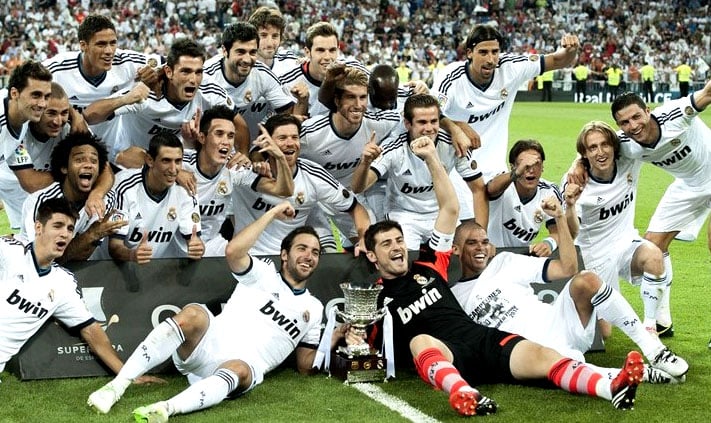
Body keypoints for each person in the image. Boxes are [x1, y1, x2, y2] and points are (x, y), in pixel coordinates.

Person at [363, 135, 643, 416]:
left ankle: (612, 389)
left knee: (543, 356)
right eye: (387, 244)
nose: (397, 247)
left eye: (399, 240)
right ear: (372, 255)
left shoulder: (428, 267)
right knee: (419, 340)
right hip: (447, 354)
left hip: (481, 339)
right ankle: (463, 392)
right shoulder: (373, 301)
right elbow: (359, 344)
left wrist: (432, 158)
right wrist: (346, 336)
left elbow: (450, 208)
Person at [86, 201, 344, 421]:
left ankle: (166, 409)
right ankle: (115, 388)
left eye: (316, 252)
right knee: (193, 314)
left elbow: (305, 365)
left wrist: (336, 337)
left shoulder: (314, 307)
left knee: (240, 368)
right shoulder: (263, 273)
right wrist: (272, 213)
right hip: (207, 346)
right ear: (284, 255)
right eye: (302, 248)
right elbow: (233, 251)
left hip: (243, 367)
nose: (309, 256)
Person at [450, 209, 688, 382]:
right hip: (530, 351)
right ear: (456, 250)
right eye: (472, 243)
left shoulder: (504, 262)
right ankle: (641, 374)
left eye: (484, 242)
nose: (481, 248)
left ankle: (654, 351)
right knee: (568, 369)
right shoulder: (451, 298)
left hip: (560, 321)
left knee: (586, 280)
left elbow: (567, 269)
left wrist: (561, 219)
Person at [570, 83, 711, 338]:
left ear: (648, 111)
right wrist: (578, 165)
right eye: (624, 122)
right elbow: (596, 147)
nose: (633, 126)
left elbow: (707, 93)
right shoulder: (625, 142)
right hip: (688, 186)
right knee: (654, 246)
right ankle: (661, 320)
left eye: (637, 116)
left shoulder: (674, 114)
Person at [0, 197, 159, 386]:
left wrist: (127, 374)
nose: (65, 234)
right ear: (38, 228)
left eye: (69, 229)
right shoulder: (9, 252)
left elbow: (92, 331)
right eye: (57, 226)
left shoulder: (63, 284)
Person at [431, 24, 580, 181]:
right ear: (469, 53)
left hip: (495, 171)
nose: (490, 59)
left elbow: (558, 60)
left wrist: (570, 50)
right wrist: (455, 127)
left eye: (495, 52)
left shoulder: (511, 67)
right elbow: (429, 110)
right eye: (483, 52)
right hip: (456, 171)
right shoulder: (452, 77)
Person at [567, 121, 671, 336]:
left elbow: (644, 134)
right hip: (593, 256)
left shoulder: (629, 162)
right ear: (584, 154)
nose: (601, 152)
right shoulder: (576, 183)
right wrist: (569, 205)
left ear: (614, 146)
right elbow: (571, 233)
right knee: (603, 333)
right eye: (592, 148)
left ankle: (651, 326)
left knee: (653, 255)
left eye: (605, 144)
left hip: (625, 244)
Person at [83, 38, 243, 169]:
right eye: (185, 71)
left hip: (173, 164)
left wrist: (243, 155)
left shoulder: (209, 92)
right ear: (169, 72)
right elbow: (89, 115)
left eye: (198, 72)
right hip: (131, 162)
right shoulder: (147, 93)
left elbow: (239, 123)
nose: (193, 80)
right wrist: (126, 99)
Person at [351, 94, 486, 247]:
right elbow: (358, 187)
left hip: (440, 212)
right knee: (404, 258)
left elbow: (478, 188)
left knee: (461, 252)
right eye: (422, 122)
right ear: (408, 124)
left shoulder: (453, 145)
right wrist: (365, 163)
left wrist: (482, 233)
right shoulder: (394, 148)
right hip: (403, 215)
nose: (429, 128)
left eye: (433, 121)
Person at [231, 113, 370, 255]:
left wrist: (364, 239)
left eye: (295, 137)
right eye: (282, 138)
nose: (290, 143)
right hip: (247, 258)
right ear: (267, 143)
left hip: (292, 259)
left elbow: (355, 208)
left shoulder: (313, 175)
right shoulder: (248, 171)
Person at [298, 67, 400, 243]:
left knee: (371, 241)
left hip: (347, 196)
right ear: (336, 100)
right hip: (312, 197)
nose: (358, 105)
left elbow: (415, 113)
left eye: (362, 97)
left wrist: (419, 88)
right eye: (351, 97)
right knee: (321, 247)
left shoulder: (381, 124)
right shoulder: (310, 133)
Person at [180, 105, 293, 256]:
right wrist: (175, 173)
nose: (226, 142)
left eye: (230, 136)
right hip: (174, 243)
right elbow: (141, 158)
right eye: (219, 134)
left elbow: (283, 191)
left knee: (238, 259)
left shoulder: (235, 170)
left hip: (211, 246)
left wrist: (279, 156)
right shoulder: (181, 162)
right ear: (202, 137)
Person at [42, 15, 159, 143]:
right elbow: (23, 83)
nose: (109, 51)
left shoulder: (127, 62)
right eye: (101, 44)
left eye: (113, 43)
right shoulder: (57, 69)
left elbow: (172, 63)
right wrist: (73, 113)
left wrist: (154, 74)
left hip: (111, 149)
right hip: (65, 146)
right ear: (83, 45)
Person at [202, 22, 306, 153]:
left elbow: (289, 112)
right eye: (240, 52)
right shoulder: (206, 76)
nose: (247, 59)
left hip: (249, 142)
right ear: (224, 51)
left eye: (252, 52)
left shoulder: (262, 74)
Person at [20, 132, 124, 262]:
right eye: (79, 160)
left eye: (94, 161)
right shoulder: (40, 200)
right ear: (64, 168)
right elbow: (43, 258)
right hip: (30, 271)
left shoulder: (105, 199)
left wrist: (91, 237)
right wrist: (93, 233)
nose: (88, 165)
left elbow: (85, 253)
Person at [108, 132, 205, 263]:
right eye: (166, 161)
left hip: (152, 269)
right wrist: (132, 255)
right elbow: (114, 246)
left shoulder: (185, 190)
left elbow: (195, 242)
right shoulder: (125, 186)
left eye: (178, 161)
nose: (173, 169)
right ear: (150, 160)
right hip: (109, 267)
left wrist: (198, 248)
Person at [486, 140, 572, 257]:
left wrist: (549, 243)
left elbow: (558, 231)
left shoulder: (549, 192)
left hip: (521, 257)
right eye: (524, 164)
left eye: (536, 164)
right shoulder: (504, 184)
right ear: (513, 167)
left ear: (542, 167)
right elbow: (491, 189)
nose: (530, 170)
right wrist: (516, 173)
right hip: (491, 255)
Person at [0, 61, 52, 231]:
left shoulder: (21, 119)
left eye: (46, 96)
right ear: (14, 93)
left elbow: (30, 182)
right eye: (36, 95)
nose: (43, 104)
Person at [279, 22, 369, 118]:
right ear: (307, 52)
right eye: (320, 50)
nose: (327, 57)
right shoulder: (287, 82)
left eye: (332, 50)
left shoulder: (353, 69)